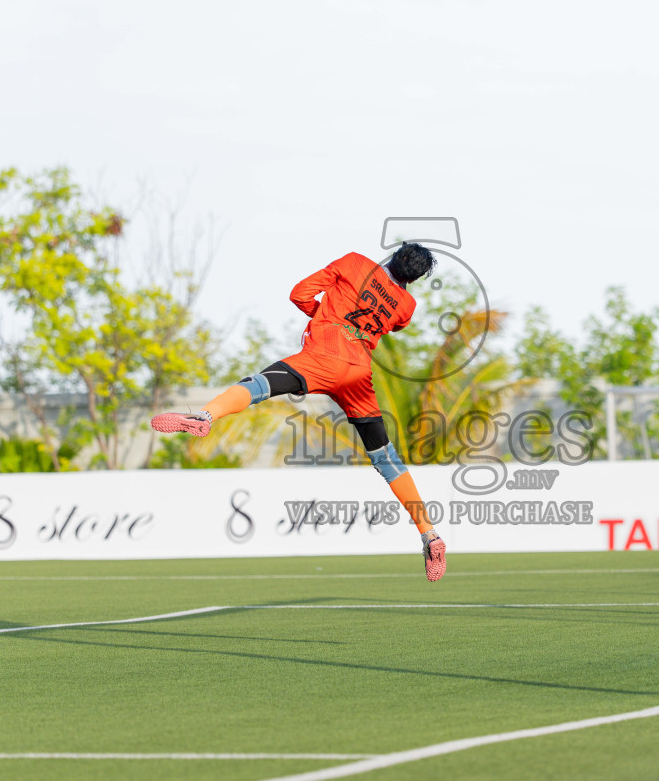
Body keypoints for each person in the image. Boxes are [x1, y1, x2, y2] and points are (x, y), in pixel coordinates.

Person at [150, 242, 446, 581]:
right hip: (357, 373)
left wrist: (321, 314)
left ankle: (205, 417)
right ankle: (429, 535)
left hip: (321, 357)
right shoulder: (407, 305)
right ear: (416, 278)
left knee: (259, 385)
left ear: (393, 256)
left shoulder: (354, 262)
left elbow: (299, 294)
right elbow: (393, 321)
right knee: (385, 456)